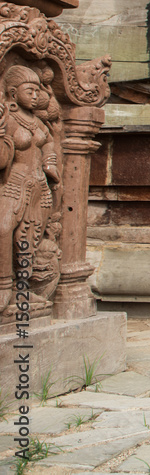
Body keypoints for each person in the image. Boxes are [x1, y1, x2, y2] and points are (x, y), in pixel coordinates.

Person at [0, 65, 60, 311]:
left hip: (39, 186)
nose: (35, 95)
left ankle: (20, 290)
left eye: (37, 90)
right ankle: (4, 285)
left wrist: (50, 161)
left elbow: (48, 142)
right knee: (3, 229)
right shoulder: (10, 118)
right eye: (29, 90)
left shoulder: (37, 122)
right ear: (13, 94)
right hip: (15, 183)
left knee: (28, 239)